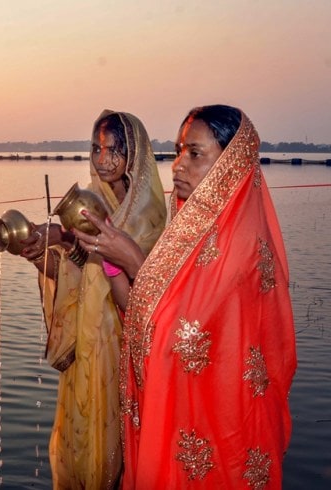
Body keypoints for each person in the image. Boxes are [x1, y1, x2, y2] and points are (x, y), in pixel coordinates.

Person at [76, 105, 297, 488]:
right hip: (183, 424)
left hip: (222, 433)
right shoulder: (190, 239)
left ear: (231, 165)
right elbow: (143, 317)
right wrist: (113, 260)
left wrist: (133, 259)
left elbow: (181, 340)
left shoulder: (241, 249)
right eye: (180, 151)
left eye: (195, 154)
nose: (178, 165)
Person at [21, 110, 167, 489]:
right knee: (84, 440)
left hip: (126, 348)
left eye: (113, 150)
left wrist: (115, 254)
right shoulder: (87, 205)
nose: (103, 160)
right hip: (88, 347)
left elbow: (151, 288)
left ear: (133, 155)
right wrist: (43, 251)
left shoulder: (150, 216)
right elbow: (78, 275)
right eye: (96, 149)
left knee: (121, 449)